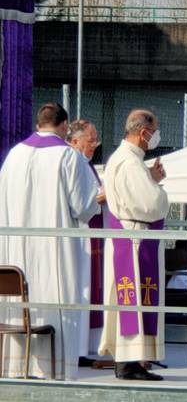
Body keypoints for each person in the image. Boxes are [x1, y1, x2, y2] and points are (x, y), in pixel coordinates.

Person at [0, 102, 100, 380]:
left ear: (38, 123)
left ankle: (14, 366)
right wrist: (98, 201)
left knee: (18, 305)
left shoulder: (14, 155)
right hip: (55, 252)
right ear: (64, 126)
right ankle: (54, 370)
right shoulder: (69, 157)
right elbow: (83, 207)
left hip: (15, 254)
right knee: (56, 302)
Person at [98, 109, 169, 381]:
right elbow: (151, 204)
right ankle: (129, 363)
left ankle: (130, 361)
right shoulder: (129, 162)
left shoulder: (129, 159)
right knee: (134, 299)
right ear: (144, 132)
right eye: (155, 130)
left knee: (131, 300)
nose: (156, 136)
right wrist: (160, 189)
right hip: (136, 237)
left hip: (130, 236)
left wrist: (150, 179)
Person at [67, 119, 107, 362]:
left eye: (96, 140)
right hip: (80, 236)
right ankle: (79, 347)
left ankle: (89, 345)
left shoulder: (86, 164)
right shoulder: (73, 163)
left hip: (93, 235)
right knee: (83, 288)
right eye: (90, 140)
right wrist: (103, 196)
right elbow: (81, 205)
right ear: (74, 141)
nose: (94, 145)